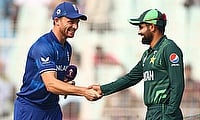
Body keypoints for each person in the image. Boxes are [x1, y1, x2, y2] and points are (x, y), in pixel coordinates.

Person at [90, 9, 185, 120]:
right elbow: (130, 78)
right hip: (152, 112)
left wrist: (170, 114)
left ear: (152, 27)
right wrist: (103, 89)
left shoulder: (169, 48)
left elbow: (177, 84)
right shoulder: (147, 54)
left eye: (141, 27)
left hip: (164, 111)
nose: (139, 32)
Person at [13, 2, 100, 120]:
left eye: (77, 22)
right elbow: (51, 85)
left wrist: (65, 85)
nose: (75, 26)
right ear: (56, 20)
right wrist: (84, 91)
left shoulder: (67, 47)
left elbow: (56, 80)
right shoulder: (44, 46)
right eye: (70, 21)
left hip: (52, 108)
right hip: (31, 107)